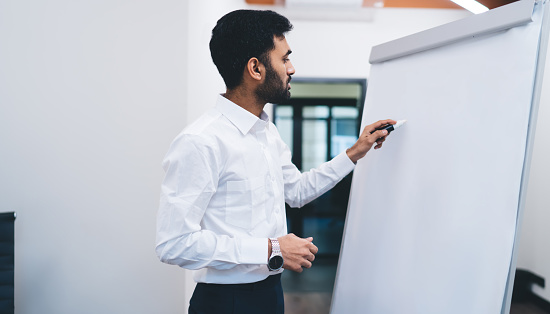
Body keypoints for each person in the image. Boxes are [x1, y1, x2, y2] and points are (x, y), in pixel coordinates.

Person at [155, 9, 396, 314]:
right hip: (224, 302)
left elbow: (296, 191)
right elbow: (174, 243)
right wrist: (273, 248)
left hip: (270, 293)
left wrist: (355, 153)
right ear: (255, 68)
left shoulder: (268, 133)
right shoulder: (201, 141)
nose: (291, 68)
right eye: (284, 59)